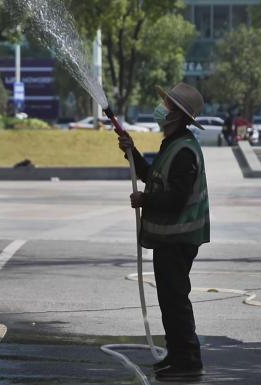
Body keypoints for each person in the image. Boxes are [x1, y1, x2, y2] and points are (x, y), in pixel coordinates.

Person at [116, 83, 210, 380]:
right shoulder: (172, 144)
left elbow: (175, 198)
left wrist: (146, 200)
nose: (162, 108)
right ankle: (177, 355)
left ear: (178, 115)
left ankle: (188, 360)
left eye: (167, 105)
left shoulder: (183, 151)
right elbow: (153, 177)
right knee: (170, 301)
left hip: (179, 239)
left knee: (175, 300)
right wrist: (132, 153)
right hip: (169, 238)